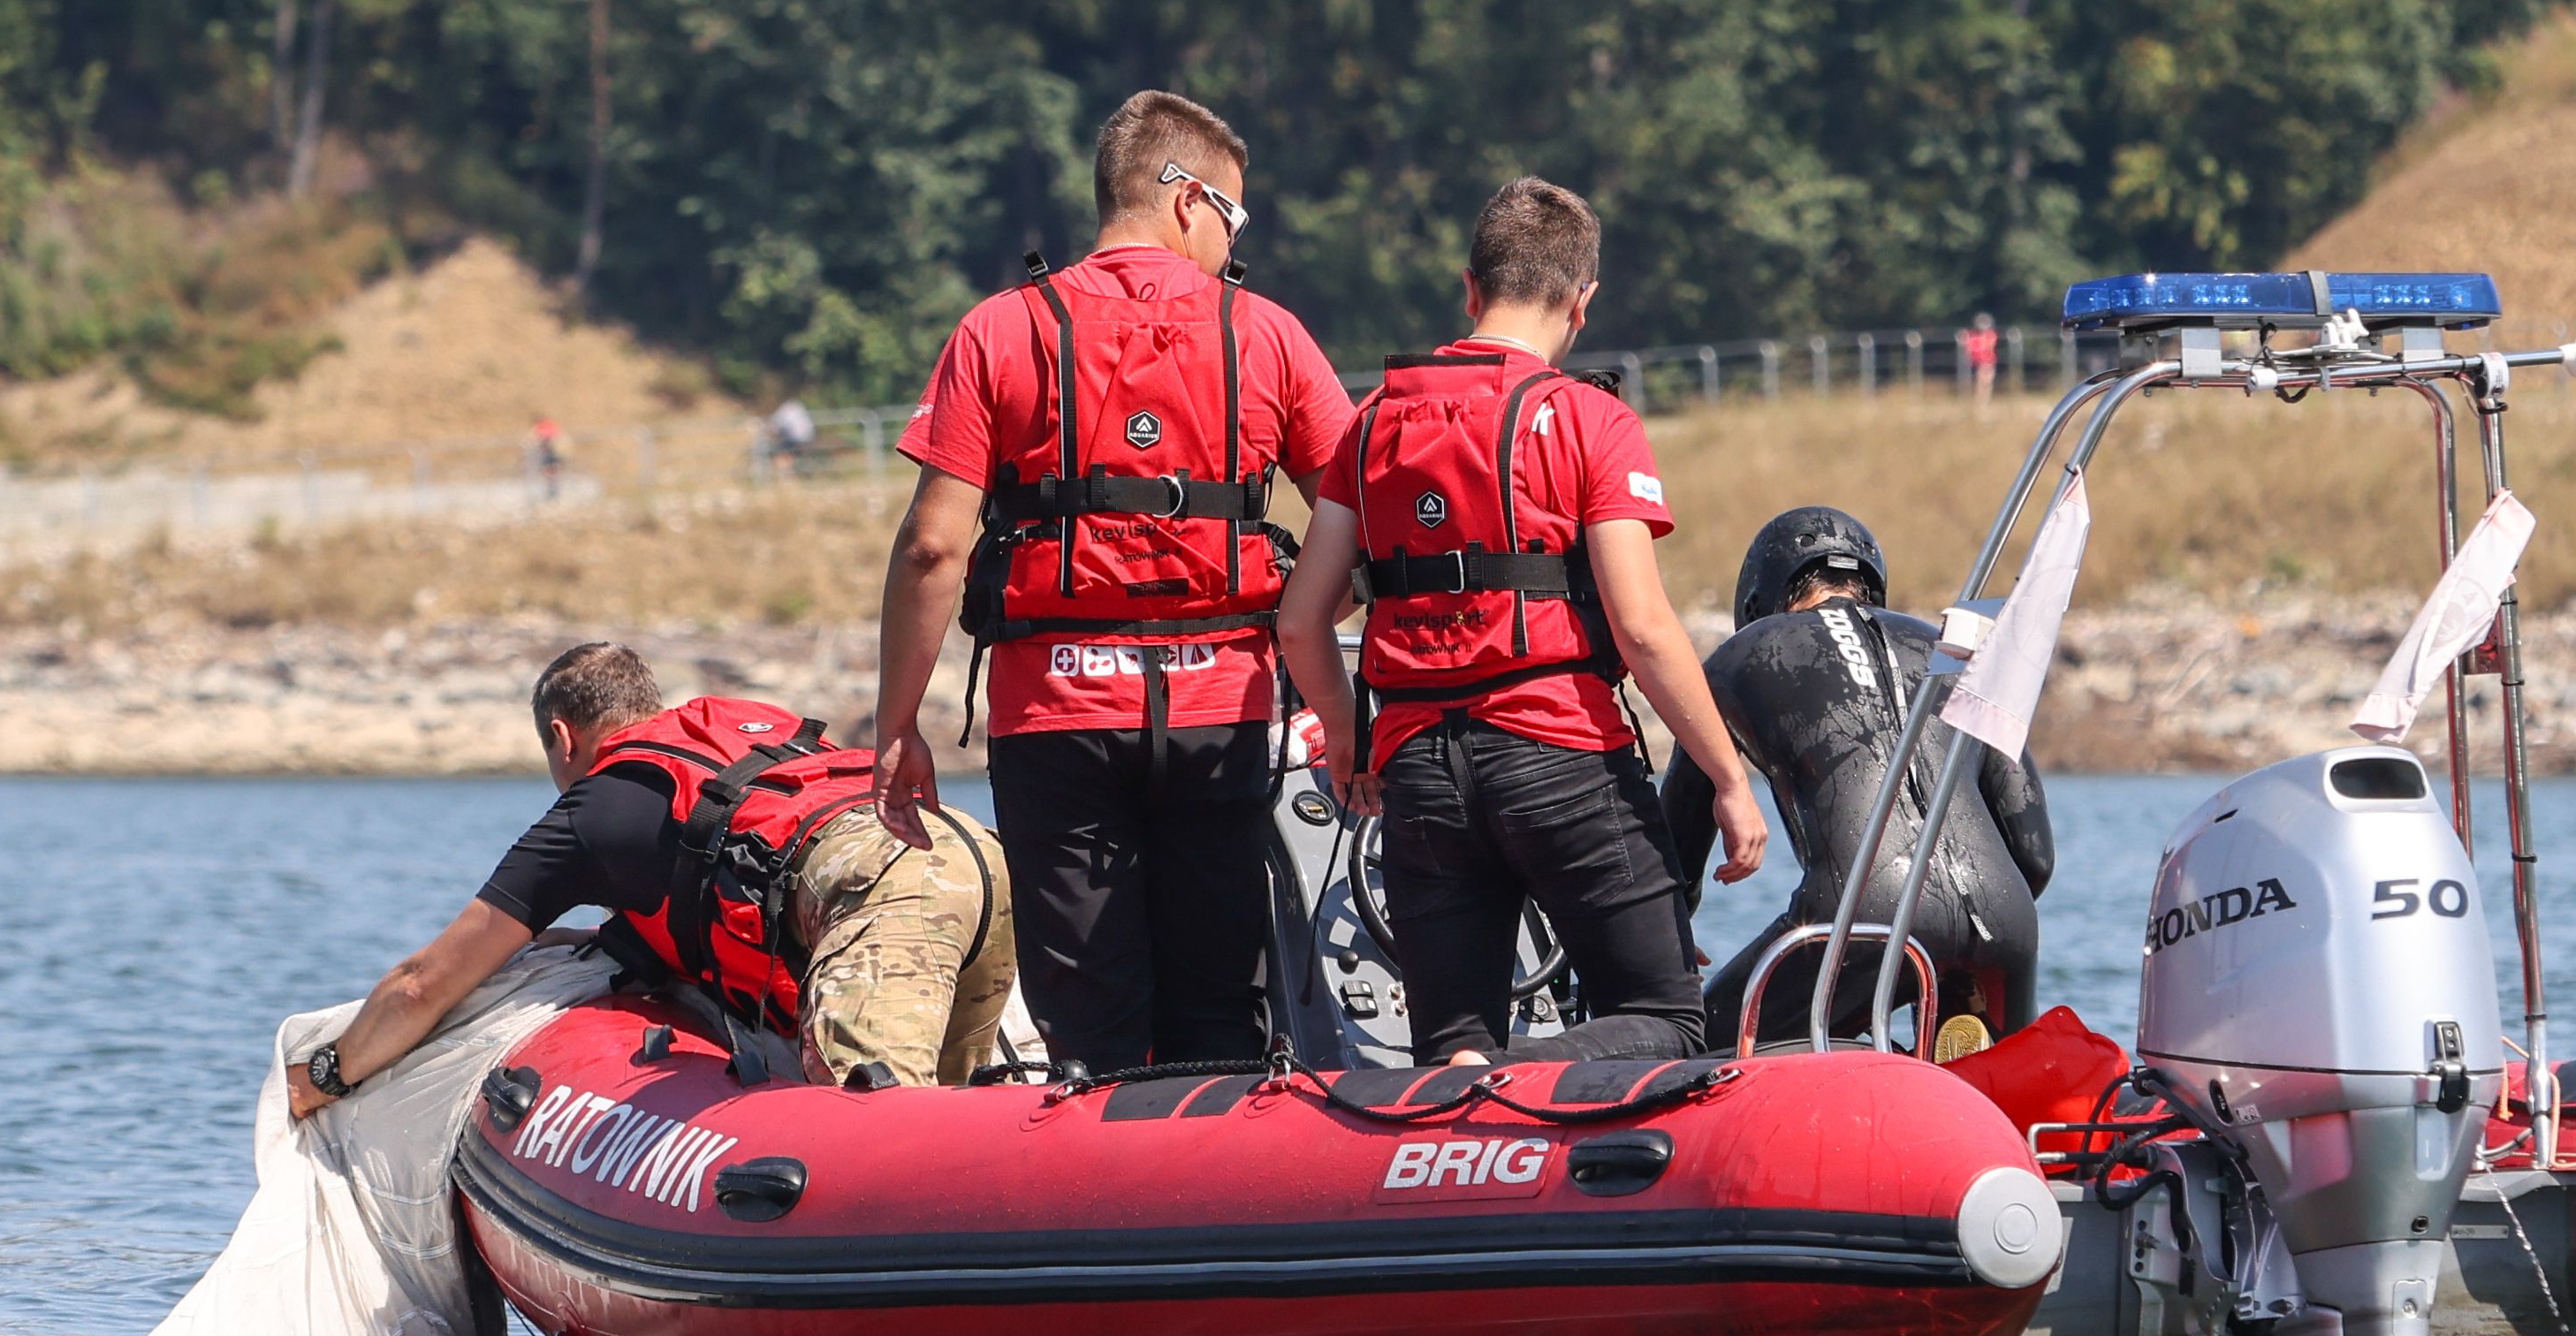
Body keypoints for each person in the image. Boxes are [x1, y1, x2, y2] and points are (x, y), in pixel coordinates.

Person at [864, 89, 1351, 1078]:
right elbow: (1360, 516)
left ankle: (1097, 1196)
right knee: (1220, 1008)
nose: (1230, 239)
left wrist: (896, 725)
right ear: (1186, 199)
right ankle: (1217, 1195)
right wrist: (1310, 631)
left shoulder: (999, 331)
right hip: (1224, 709)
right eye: (1233, 214)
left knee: (1089, 1021)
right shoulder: (1268, 335)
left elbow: (931, 547)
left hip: (1057, 719)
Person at [1278, 177, 1764, 1066]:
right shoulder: (1591, 420)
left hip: (1419, 771)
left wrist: (1350, 748)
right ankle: (1521, 1082)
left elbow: (1303, 622)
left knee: (1450, 1043)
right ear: (1583, 302)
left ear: (1471, 289)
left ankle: (1471, 1079)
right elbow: (1644, 627)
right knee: (1667, 1020)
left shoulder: (1372, 424)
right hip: (1561, 757)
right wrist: (1728, 778)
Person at [293, 641, 1016, 1120]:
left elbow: (426, 981)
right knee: (956, 1118)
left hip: (876, 888)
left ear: (561, 736)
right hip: (970, 853)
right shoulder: (742, 728)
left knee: (879, 1138)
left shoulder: (592, 807)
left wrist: (326, 1075)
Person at [1662, 505, 2053, 1048]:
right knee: (1995, 1103)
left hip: (1860, 917)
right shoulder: (1957, 654)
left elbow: (1672, 855)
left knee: (1691, 1043)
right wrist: (1962, 932)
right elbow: (2034, 855)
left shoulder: (1740, 655)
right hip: (2006, 921)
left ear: (1756, 601)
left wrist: (1667, 940)